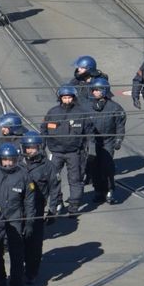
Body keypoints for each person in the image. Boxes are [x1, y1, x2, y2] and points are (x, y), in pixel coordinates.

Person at [0, 144, 34, 286]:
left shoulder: (23, 175)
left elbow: (29, 201)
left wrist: (30, 222)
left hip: (15, 219)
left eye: (11, 160)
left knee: (16, 254)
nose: (8, 163)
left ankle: (16, 284)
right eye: (5, 160)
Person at [40, 85, 91, 216]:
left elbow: (90, 133)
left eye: (69, 98)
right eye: (64, 97)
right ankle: (57, 201)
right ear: (60, 98)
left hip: (74, 153)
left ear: (73, 98)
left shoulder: (81, 113)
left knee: (75, 179)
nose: (67, 100)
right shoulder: (52, 112)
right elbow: (44, 130)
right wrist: (42, 148)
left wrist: (87, 151)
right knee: (53, 179)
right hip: (56, 152)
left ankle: (74, 205)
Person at [18, 131, 52, 284]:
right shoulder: (18, 163)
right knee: (19, 243)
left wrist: (54, 209)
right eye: (27, 147)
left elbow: (55, 188)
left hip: (37, 209)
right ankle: (19, 270)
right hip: (18, 209)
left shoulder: (47, 166)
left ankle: (32, 271)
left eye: (33, 147)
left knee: (34, 243)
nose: (30, 150)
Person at [87, 78, 126, 204]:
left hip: (107, 141)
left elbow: (120, 125)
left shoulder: (115, 108)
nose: (95, 92)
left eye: (98, 90)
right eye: (93, 90)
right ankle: (98, 191)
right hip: (92, 142)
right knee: (94, 168)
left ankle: (109, 190)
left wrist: (119, 140)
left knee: (107, 167)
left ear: (104, 91)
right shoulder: (87, 107)